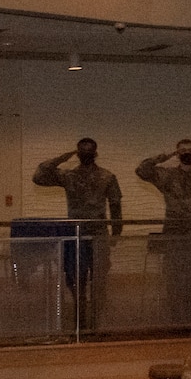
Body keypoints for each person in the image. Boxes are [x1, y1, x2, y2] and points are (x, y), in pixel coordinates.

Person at [33, 137, 124, 329]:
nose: (86, 154)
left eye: (88, 151)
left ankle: (96, 321)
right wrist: (63, 157)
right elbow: (39, 176)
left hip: (98, 234)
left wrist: (116, 232)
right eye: (82, 151)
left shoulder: (107, 176)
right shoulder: (69, 176)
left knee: (99, 279)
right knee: (76, 278)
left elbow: (115, 205)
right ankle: (80, 318)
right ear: (78, 153)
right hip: (76, 234)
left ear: (95, 153)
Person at [136, 139, 191, 326]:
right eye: (183, 151)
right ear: (178, 154)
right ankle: (175, 321)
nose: (187, 153)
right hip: (175, 234)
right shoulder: (168, 176)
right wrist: (164, 156)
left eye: (190, 150)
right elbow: (142, 171)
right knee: (173, 279)